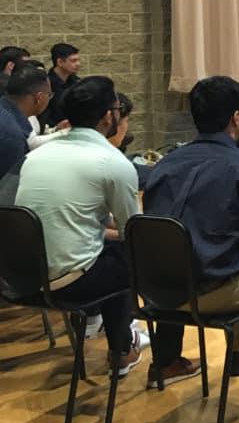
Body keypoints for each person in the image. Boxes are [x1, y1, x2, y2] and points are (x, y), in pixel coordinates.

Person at [143, 76, 239, 388]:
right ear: (236, 117)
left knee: (195, 250)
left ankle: (179, 359)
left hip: (156, 293)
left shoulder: (165, 164)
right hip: (211, 293)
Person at [15, 76, 146, 375]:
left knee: (104, 250)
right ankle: (122, 350)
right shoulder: (113, 162)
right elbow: (133, 232)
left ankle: (93, 321)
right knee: (128, 257)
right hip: (68, 285)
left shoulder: (36, 156)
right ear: (108, 116)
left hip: (22, 280)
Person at [0, 65, 51, 204]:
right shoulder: (12, 134)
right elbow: (7, 196)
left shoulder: (6, 113)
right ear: (39, 98)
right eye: (49, 95)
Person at [40, 42, 82, 128]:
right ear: (60, 62)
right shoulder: (46, 84)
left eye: (78, 60)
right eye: (73, 61)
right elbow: (42, 114)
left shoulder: (77, 82)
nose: (78, 64)